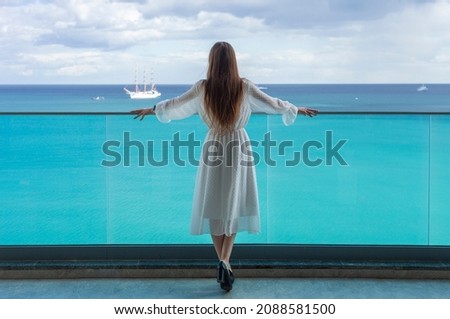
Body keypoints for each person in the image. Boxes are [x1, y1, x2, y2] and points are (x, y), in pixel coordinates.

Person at [131, 41, 318, 291]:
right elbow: (273, 104)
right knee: (233, 204)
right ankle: (225, 261)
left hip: (214, 144)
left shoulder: (203, 88)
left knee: (213, 203)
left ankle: (222, 261)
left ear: (211, 62)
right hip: (238, 145)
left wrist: (152, 109)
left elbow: (176, 104)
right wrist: (298, 109)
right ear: (233, 61)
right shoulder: (244, 86)